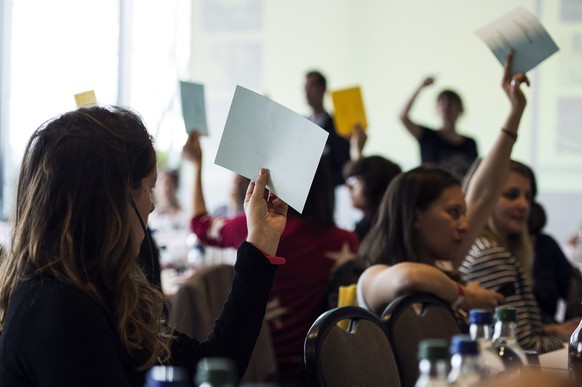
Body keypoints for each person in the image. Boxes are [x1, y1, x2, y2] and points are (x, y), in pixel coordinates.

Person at [0, 106, 288, 386]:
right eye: (147, 189)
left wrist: (261, 240)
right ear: (114, 201)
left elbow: (213, 363)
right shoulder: (59, 311)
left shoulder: (101, 291)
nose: (151, 205)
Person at [357, 52, 525, 318]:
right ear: (415, 216)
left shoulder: (444, 265)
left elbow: (482, 195)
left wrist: (515, 112)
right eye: (453, 213)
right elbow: (409, 277)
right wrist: (465, 296)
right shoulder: (372, 277)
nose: (466, 225)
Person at [183, 132, 358, 386]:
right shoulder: (346, 241)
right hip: (319, 366)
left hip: (256, 366)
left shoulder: (255, 228)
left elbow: (198, 223)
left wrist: (197, 165)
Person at [460, 160, 577, 353]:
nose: (524, 205)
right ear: (485, 198)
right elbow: (520, 347)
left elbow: (509, 330)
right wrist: (572, 339)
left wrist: (550, 329)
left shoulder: (484, 247)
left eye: (528, 197)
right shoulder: (491, 255)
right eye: (511, 195)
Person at [399, 76, 478, 180]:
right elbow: (403, 117)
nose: (446, 106)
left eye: (451, 102)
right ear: (437, 109)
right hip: (432, 193)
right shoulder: (427, 136)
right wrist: (420, 87)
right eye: (442, 103)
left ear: (460, 108)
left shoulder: (470, 143)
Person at [529, 201, 582, 324]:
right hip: (529, 333)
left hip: (549, 327)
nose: (522, 205)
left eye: (528, 197)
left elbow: (572, 285)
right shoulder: (496, 249)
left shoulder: (544, 244)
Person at [304, 69, 350, 186]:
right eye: (305, 87)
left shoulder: (338, 126)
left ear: (323, 89)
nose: (307, 92)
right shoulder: (301, 123)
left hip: (327, 193)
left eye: (311, 87)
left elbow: (343, 167)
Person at [343, 155, 402, 241]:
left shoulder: (391, 228)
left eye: (355, 181)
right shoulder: (363, 226)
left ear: (375, 183)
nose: (348, 187)